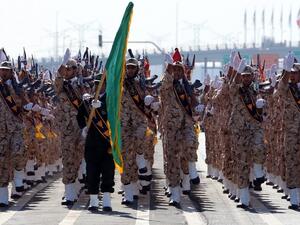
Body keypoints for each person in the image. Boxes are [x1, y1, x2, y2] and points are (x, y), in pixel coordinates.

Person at [77, 74, 115, 212]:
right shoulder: (88, 102)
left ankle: (106, 201)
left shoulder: (112, 100)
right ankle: (93, 201)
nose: (99, 86)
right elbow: (79, 115)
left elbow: (116, 116)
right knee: (91, 172)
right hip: (92, 143)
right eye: (96, 84)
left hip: (107, 144)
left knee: (107, 172)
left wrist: (103, 106)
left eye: (102, 83)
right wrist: (83, 128)